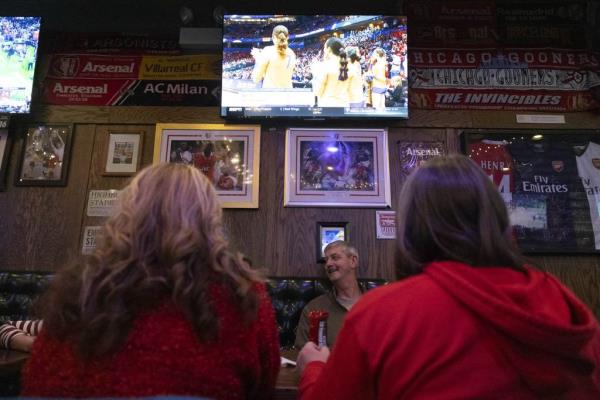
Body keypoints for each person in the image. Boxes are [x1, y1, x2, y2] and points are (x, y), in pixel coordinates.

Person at [297, 154, 600, 399]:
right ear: (495, 216)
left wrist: (314, 369)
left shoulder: (380, 312)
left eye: (336, 257)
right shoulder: (564, 301)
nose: (330, 263)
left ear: (412, 227)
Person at [21, 163, 280, 399]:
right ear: (210, 221)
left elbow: (36, 382)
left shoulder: (80, 289)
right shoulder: (243, 296)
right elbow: (263, 389)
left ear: (128, 214)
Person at [294, 240, 362, 349]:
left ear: (353, 261)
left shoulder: (377, 303)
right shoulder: (314, 309)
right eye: (326, 260)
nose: (328, 264)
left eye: (335, 258)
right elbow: (302, 353)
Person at [251, 25, 296, 89]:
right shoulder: (292, 53)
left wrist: (258, 59)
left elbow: (256, 79)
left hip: (271, 95)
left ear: (273, 37)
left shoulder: (267, 51)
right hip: (288, 95)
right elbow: (279, 74)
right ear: (287, 37)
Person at [312, 37, 350, 107]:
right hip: (345, 107)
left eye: (324, 48)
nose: (324, 50)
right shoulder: (349, 66)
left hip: (328, 107)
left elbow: (317, 92)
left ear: (328, 49)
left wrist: (314, 78)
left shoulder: (325, 66)